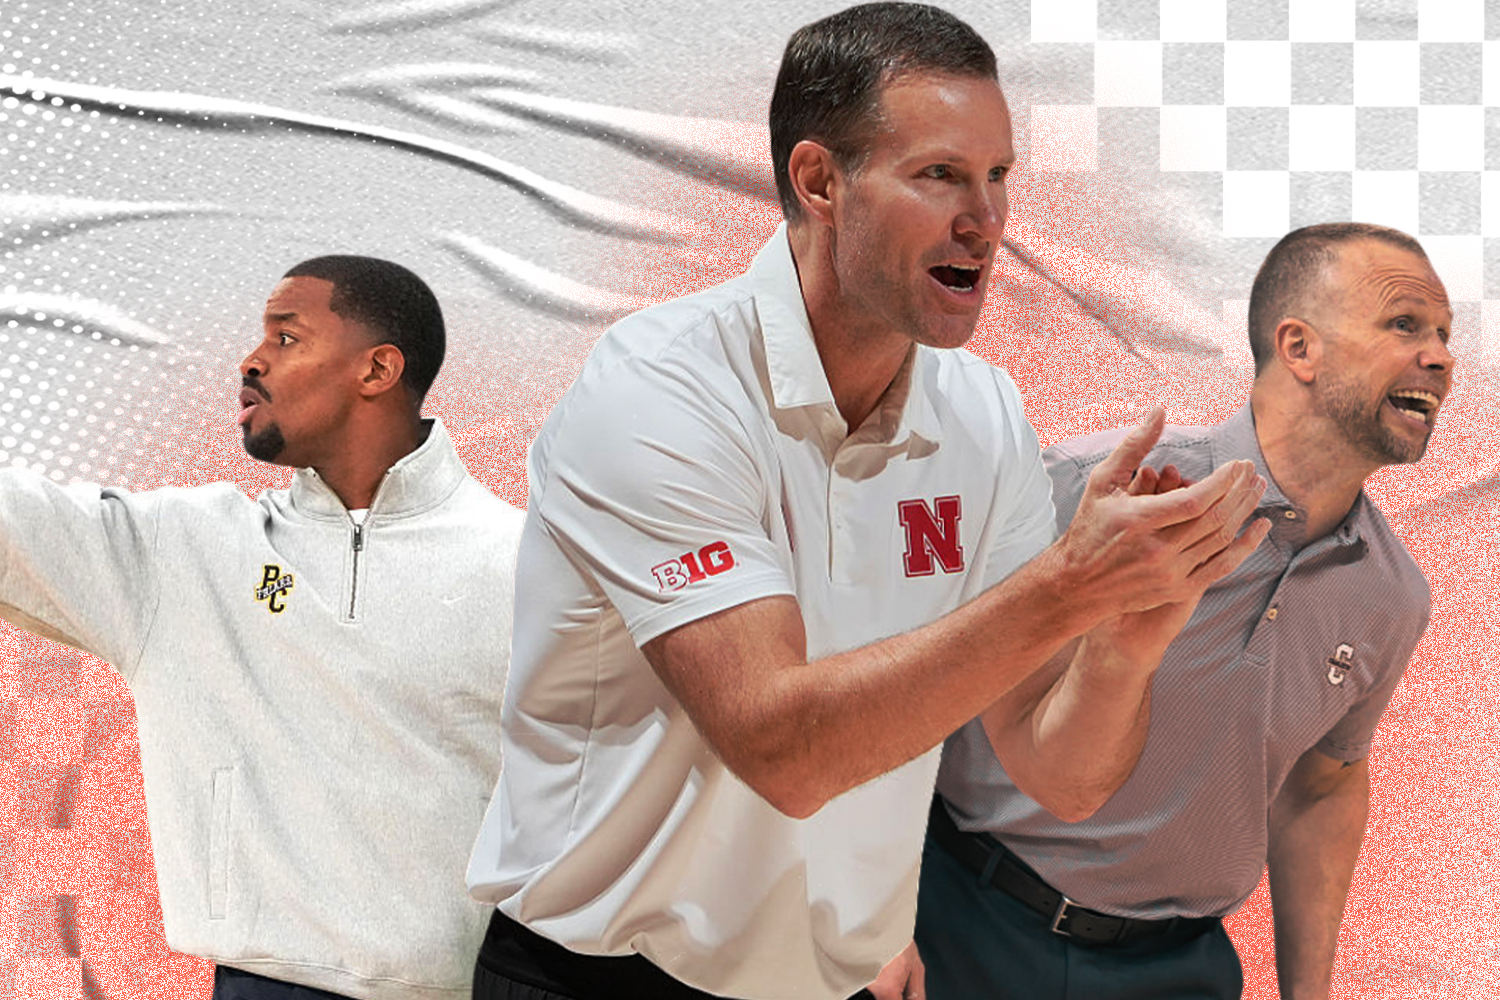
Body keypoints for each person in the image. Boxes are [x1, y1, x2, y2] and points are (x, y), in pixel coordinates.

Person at [464, 5, 1269, 1000]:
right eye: (940, 175)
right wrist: (1068, 588)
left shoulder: (982, 412)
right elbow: (781, 747)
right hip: (594, 978)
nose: (988, 219)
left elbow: (1063, 773)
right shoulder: (657, 390)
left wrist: (1127, 637)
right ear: (818, 182)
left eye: (999, 175)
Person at [918, 222, 1451, 999]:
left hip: (1182, 969)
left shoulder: (1390, 598)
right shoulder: (1091, 489)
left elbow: (1326, 781)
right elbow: (919, 679)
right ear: (1298, 347)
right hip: (967, 924)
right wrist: (873, 910)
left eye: (1443, 335)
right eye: (1405, 326)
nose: (1441, 358)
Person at [0, 255, 525, 1000]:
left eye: (286, 337)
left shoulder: (531, 564)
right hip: (264, 983)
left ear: (376, 370)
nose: (251, 360)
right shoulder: (180, 551)